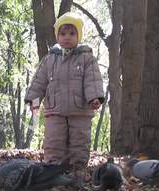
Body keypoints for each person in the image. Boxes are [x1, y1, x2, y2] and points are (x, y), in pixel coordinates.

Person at [24, 12, 104, 181]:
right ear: (57, 36)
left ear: (79, 36)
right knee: (54, 140)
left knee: (79, 141)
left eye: (72, 33)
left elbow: (93, 80)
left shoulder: (86, 58)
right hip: (55, 110)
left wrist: (94, 97)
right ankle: (53, 169)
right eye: (63, 33)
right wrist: (34, 100)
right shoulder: (50, 59)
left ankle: (78, 169)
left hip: (80, 110)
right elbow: (40, 82)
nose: (67, 37)